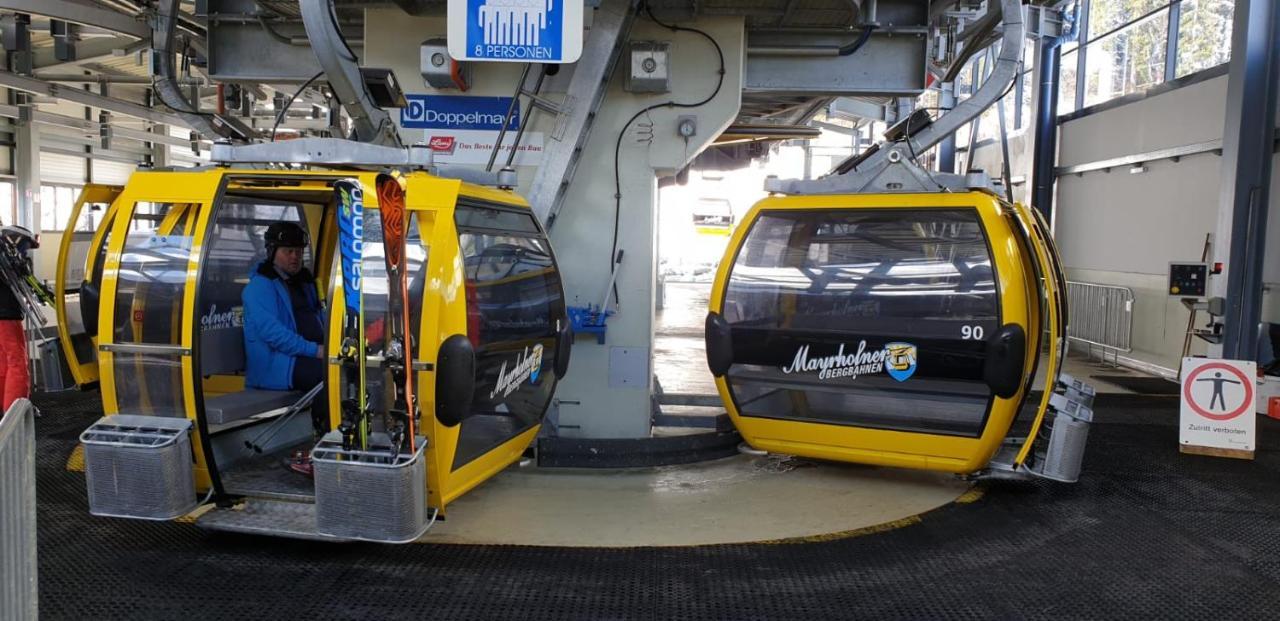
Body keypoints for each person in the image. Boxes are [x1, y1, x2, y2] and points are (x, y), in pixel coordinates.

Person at [241, 221, 327, 474]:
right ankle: (320, 448)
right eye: (288, 251)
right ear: (272, 251)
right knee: (328, 377)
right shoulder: (259, 287)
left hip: (302, 358)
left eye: (299, 251)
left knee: (347, 373)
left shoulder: (304, 283)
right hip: (276, 365)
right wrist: (317, 350)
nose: (295, 257)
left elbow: (320, 317)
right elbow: (274, 335)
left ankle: (338, 442)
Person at [0, 226, 35, 414]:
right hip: (6, 315)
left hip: (4, 315)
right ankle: (15, 412)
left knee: (4, 361)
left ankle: (5, 408)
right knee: (17, 363)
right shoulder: (5, 252)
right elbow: (19, 271)